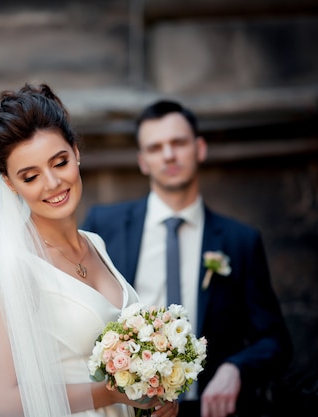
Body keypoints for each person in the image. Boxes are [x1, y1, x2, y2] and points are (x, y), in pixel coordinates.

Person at [82, 100, 293, 417]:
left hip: (205, 410)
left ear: (200, 148)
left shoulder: (240, 241)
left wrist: (235, 368)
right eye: (155, 147)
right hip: (122, 410)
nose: (168, 154)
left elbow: (275, 341)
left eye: (178, 143)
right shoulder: (103, 228)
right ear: (142, 161)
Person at [0, 83, 179, 417]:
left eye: (59, 162)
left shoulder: (95, 243)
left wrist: (154, 391)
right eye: (30, 177)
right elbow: (4, 401)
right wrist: (109, 394)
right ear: (11, 184)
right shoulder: (18, 266)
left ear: (75, 152)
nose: (53, 183)